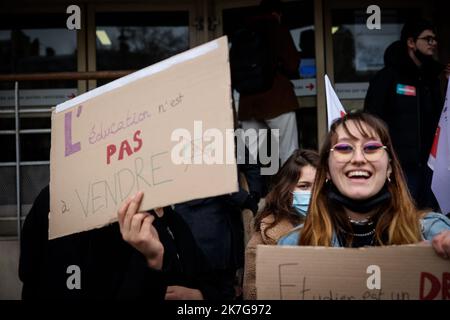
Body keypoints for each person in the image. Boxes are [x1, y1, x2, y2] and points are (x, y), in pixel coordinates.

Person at [278, 112, 450, 261]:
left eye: (371, 147)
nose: (358, 158)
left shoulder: (433, 232)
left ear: (389, 167)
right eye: (344, 148)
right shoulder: (294, 244)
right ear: (327, 170)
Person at [19, 186, 228, 300]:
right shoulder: (56, 203)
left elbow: (214, 284)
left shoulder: (171, 219)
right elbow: (29, 275)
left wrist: (198, 296)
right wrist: (152, 261)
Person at [364, 19, 450, 210]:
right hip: (399, 166)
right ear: (411, 43)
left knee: (429, 218)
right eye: (427, 39)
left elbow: (442, 118)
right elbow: (372, 121)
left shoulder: (433, 79)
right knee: (401, 215)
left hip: (430, 166)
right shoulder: (388, 78)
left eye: (435, 39)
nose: (433, 43)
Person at [243, 149, 319, 299]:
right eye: (304, 186)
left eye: (318, 186)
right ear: (287, 189)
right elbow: (253, 295)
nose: (313, 193)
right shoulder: (263, 241)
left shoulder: (345, 228)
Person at [237, 0, 301, 166]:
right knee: (289, 153)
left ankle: (248, 191)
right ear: (276, 13)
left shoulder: (242, 33)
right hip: (276, 99)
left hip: (248, 102)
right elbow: (292, 63)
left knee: (248, 156)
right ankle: (290, 191)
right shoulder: (276, 28)